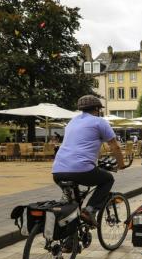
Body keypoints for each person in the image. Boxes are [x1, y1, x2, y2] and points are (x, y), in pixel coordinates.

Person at [52, 95, 126, 225]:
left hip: (57, 171)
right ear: (97, 109)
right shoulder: (99, 122)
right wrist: (121, 165)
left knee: (74, 201)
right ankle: (90, 210)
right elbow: (115, 146)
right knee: (107, 179)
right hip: (81, 170)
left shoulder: (72, 121)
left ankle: (71, 237)